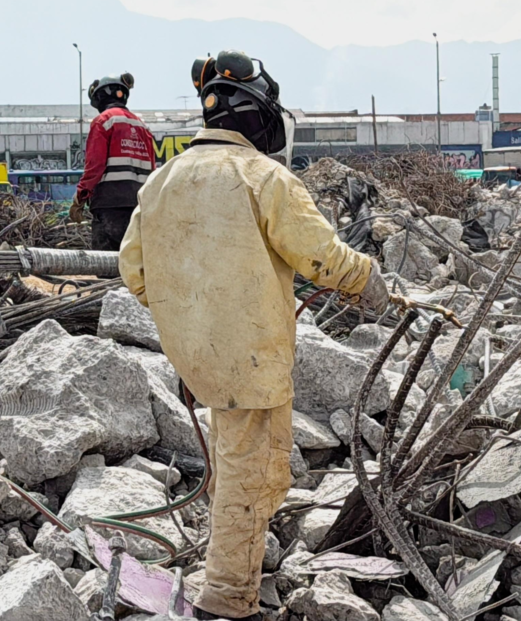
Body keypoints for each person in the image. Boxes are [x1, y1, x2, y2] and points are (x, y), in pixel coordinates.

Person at [120, 50, 388, 621]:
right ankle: (226, 600)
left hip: (197, 357)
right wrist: (367, 278)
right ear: (258, 115)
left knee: (231, 454)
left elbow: (134, 271)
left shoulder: (162, 180)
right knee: (253, 471)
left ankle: (226, 564)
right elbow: (320, 256)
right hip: (253, 358)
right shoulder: (264, 177)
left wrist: (189, 315)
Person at [70, 72, 156, 250]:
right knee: (134, 262)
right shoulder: (142, 126)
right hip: (140, 205)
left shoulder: (103, 121)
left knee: (106, 267)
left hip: (110, 204)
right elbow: (152, 169)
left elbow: (95, 166)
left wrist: (80, 197)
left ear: (101, 96)